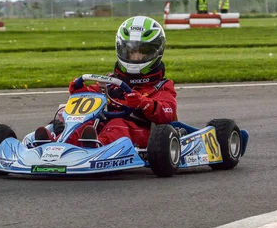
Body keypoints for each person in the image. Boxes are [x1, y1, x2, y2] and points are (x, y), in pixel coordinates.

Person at [33, 16, 177, 149]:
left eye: (143, 51)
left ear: (156, 51)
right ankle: (56, 146)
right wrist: (80, 92)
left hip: (141, 131)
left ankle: (96, 147)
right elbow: (95, 96)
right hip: (103, 125)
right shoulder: (111, 81)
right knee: (85, 123)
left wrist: (144, 103)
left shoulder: (161, 85)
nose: (136, 56)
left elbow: (167, 113)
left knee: (117, 125)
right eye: (131, 51)